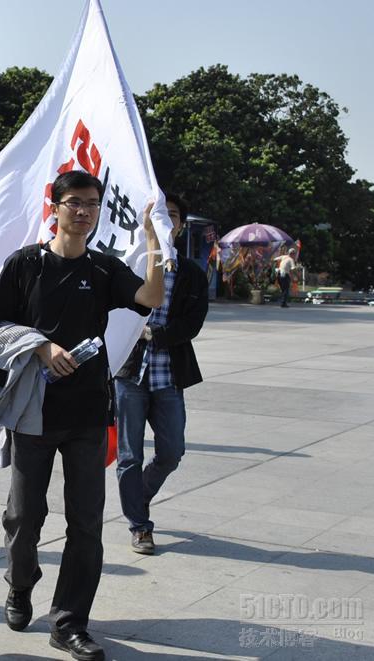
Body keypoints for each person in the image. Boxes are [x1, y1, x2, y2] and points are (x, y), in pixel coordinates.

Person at [0, 170, 165, 661]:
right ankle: (20, 585)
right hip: (33, 411)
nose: (83, 211)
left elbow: (150, 299)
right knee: (25, 516)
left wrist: (153, 246)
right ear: (55, 206)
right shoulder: (26, 264)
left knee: (86, 523)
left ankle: (69, 622)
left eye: (91, 204)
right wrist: (42, 347)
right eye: (74, 202)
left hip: (87, 413)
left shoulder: (105, 270)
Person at [113, 193, 209, 556]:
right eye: (159, 216)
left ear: (181, 225)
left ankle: (137, 498)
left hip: (169, 375)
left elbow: (192, 323)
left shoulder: (192, 273)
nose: (166, 221)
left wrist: (154, 333)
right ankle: (139, 525)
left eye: (172, 216)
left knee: (172, 451)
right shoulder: (131, 266)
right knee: (129, 456)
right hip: (129, 374)